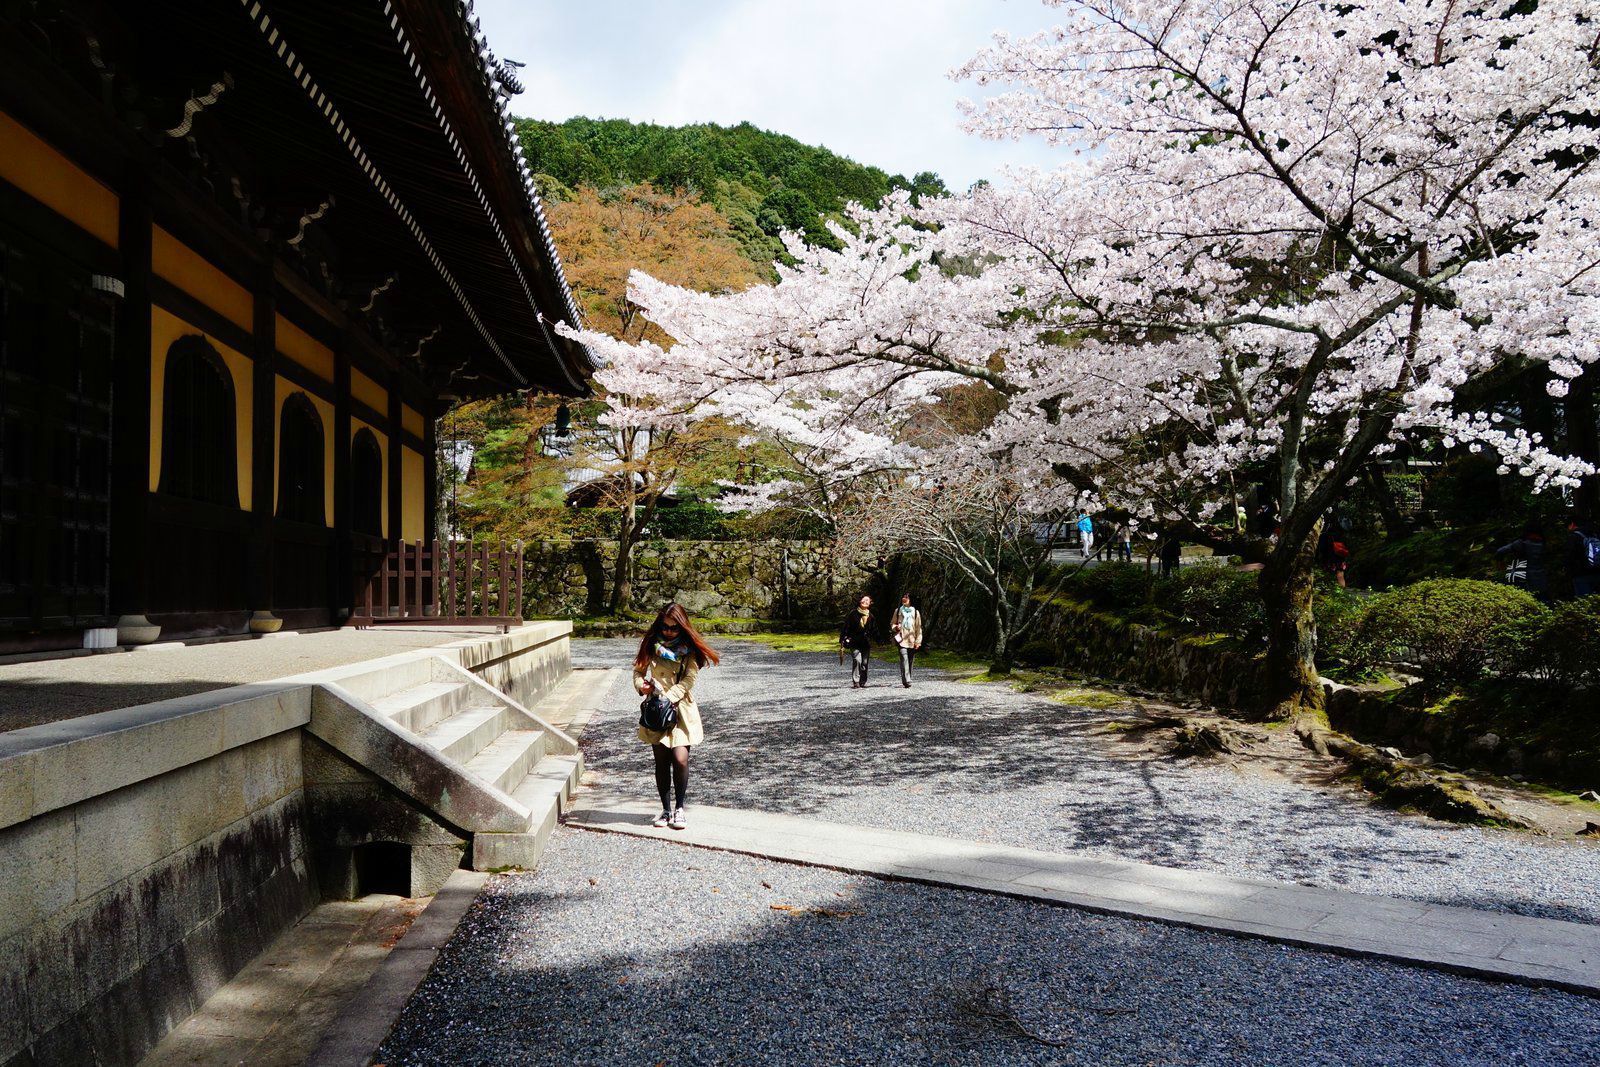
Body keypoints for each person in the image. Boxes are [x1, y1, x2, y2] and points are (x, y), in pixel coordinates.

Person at [633, 602, 720, 830]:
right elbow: (638, 671)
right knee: (661, 762)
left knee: (680, 759)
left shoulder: (688, 649)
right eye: (664, 627)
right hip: (657, 712)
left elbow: (690, 679)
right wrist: (641, 686)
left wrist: (671, 695)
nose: (668, 632)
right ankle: (665, 809)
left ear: (682, 627)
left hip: (680, 709)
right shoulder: (650, 645)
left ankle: (680, 808)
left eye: (673, 628)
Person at [1496, 522, 1549, 598]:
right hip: (1540, 578)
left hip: (1522, 576)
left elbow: (1500, 551)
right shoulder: (1543, 545)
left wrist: (1500, 562)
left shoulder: (1521, 543)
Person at [840, 594, 874, 688]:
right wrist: (843, 639)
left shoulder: (870, 615)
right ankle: (856, 681)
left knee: (864, 663)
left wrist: (880, 640)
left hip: (865, 643)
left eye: (868, 600)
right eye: (864, 600)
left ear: (870, 603)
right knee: (857, 660)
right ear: (860, 601)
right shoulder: (853, 613)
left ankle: (863, 680)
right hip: (854, 641)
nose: (866, 601)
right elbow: (846, 627)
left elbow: (874, 630)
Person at [890, 594, 924, 688]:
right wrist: (895, 627)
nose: (904, 599)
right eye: (903, 597)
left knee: (910, 660)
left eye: (907, 597)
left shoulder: (916, 612)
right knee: (904, 659)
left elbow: (918, 628)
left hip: (912, 640)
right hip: (901, 640)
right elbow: (892, 623)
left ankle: (908, 677)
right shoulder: (898, 611)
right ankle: (907, 680)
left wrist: (918, 641)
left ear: (911, 599)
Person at [1567, 516, 1600, 598]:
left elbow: (1570, 556)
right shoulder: (1594, 535)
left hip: (1580, 574)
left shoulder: (1574, 537)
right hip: (1597, 571)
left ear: (1572, 524)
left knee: (1584, 601)